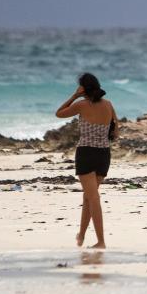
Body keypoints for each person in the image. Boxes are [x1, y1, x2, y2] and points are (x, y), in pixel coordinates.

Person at [55, 72, 117, 249]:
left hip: (86, 154)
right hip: (104, 154)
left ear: (83, 88)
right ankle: (81, 235)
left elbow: (59, 113)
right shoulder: (109, 105)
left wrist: (74, 96)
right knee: (89, 197)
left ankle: (101, 241)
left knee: (93, 198)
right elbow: (115, 131)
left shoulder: (81, 105)